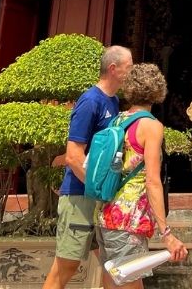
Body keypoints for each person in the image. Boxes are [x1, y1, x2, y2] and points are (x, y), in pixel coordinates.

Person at [43, 45, 134, 289]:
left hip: (97, 198)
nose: (132, 73)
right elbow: (73, 157)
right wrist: (101, 190)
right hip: (80, 196)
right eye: (129, 67)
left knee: (110, 266)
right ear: (113, 69)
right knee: (66, 266)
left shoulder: (113, 101)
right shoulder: (90, 101)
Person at [96, 63, 188, 289]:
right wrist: (166, 233)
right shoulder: (151, 126)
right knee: (130, 285)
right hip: (129, 219)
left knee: (112, 283)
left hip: (106, 214)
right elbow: (152, 181)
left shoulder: (118, 120)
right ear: (158, 92)